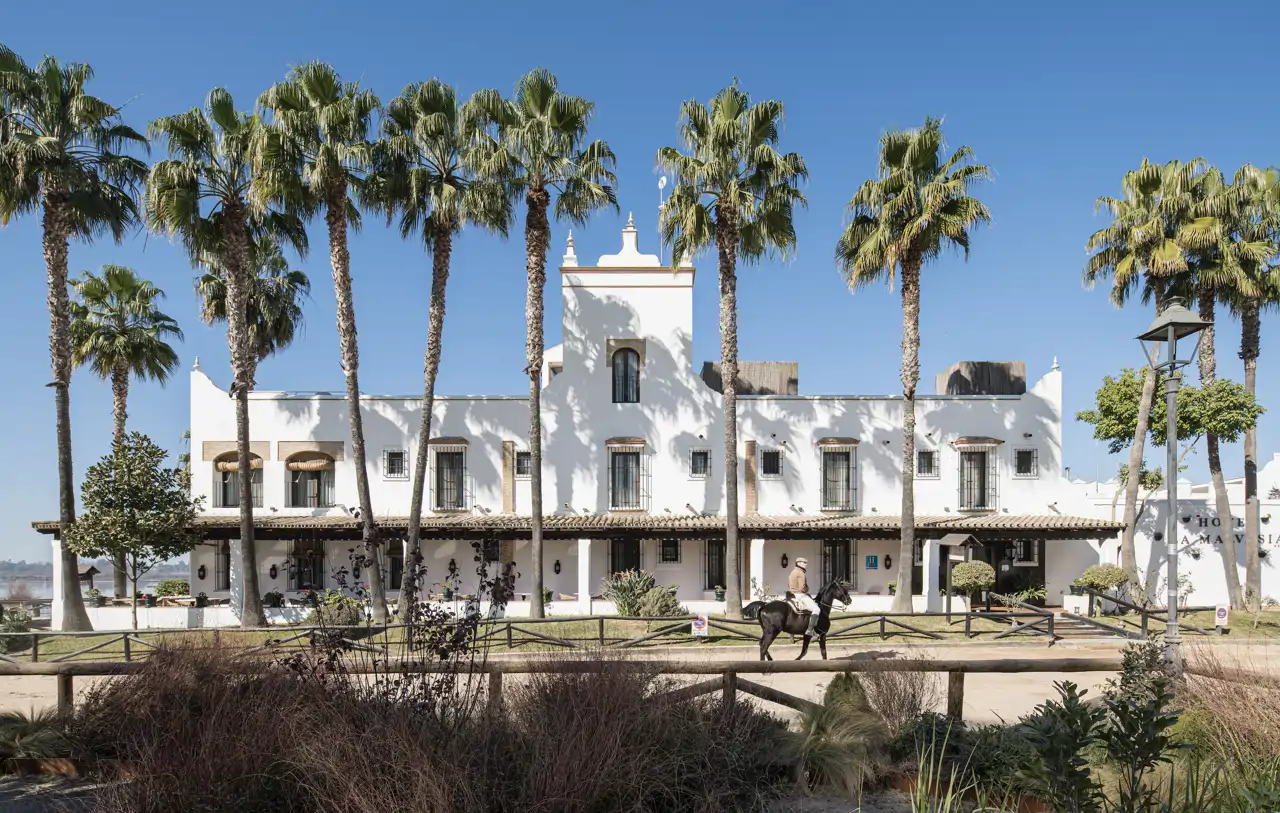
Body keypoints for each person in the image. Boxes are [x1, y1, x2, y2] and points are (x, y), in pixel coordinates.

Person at [788, 557, 820, 637]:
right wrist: (807, 589)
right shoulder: (800, 573)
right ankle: (810, 630)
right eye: (804, 562)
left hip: (793, 594)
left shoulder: (793, 572)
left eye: (806, 562)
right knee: (816, 609)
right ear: (798, 563)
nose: (806, 564)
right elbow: (803, 587)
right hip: (800, 594)